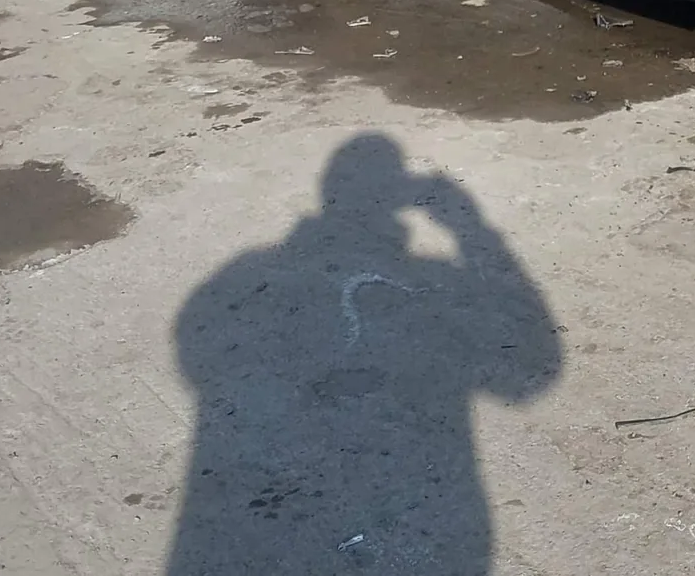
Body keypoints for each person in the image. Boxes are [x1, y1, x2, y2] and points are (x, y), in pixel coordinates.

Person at [167, 134, 561, 574]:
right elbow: (530, 371)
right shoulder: (433, 274)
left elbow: (196, 351)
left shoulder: (243, 272)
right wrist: (470, 228)